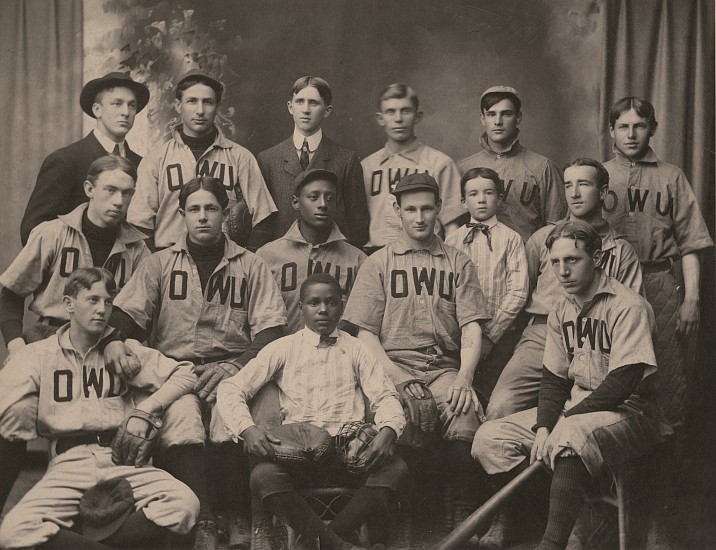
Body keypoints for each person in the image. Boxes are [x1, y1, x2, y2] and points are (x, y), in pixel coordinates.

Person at [106, 175, 287, 549]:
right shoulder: (158, 263)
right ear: (182, 215)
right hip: (178, 371)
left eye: (211, 208)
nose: (203, 217)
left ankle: (237, 514)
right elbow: (124, 319)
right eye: (194, 210)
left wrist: (235, 366)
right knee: (185, 419)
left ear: (226, 214)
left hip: (232, 367)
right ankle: (203, 516)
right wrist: (114, 342)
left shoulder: (251, 264)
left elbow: (271, 331)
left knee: (229, 418)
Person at [471, 221, 673, 550]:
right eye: (555, 262)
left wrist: (561, 424)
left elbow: (623, 383)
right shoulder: (561, 309)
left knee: (569, 435)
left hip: (631, 413)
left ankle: (551, 542)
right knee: (490, 438)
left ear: (597, 258)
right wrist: (542, 428)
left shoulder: (629, 306)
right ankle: (576, 507)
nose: (562, 271)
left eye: (572, 260)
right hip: (577, 412)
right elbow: (552, 380)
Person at [0, 267, 200, 550]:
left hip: (121, 457)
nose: (102, 309)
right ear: (69, 304)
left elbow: (186, 373)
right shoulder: (39, 355)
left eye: (108, 301)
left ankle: (83, 538)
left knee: (185, 506)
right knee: (12, 532)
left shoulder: (123, 349)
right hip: (68, 461)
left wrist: (145, 411)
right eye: (92, 300)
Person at [0, 155, 149, 512]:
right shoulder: (53, 232)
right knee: (14, 413)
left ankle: (111, 514)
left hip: (105, 345)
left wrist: (115, 340)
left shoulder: (137, 247)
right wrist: (16, 343)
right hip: (47, 341)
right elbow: (9, 292)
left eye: (126, 193)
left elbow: (136, 309)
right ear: (89, 189)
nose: (118, 201)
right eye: (110, 190)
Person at [217, 273, 407, 550]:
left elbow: (385, 395)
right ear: (301, 308)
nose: (322, 310)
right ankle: (338, 545)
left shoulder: (357, 350)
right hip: (298, 457)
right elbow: (231, 388)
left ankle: (320, 541)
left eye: (331, 302)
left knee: (397, 470)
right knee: (262, 476)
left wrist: (389, 429)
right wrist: (248, 430)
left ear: (341, 307)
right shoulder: (282, 348)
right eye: (314, 303)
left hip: (346, 454)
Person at [343, 172, 490, 515]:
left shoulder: (459, 262)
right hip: (390, 367)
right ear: (397, 210)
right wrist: (400, 381)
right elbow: (365, 334)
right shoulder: (378, 262)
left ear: (439, 208)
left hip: (442, 369)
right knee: (388, 420)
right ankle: (396, 518)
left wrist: (465, 377)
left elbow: (471, 327)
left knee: (464, 411)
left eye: (427, 208)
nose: (420, 217)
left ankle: (461, 514)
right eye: (411, 209)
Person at [486, 158, 643, 422]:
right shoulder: (543, 239)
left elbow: (631, 317)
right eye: (569, 185)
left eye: (583, 184)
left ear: (603, 192)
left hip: (596, 340)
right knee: (500, 408)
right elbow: (518, 294)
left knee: (591, 415)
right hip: (541, 333)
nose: (574, 193)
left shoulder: (620, 250)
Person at [603, 97, 714, 426]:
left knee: (665, 371)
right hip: (612, 284)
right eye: (623, 126)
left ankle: (667, 467)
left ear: (652, 128)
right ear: (612, 131)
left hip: (660, 284)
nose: (631, 134)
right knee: (612, 368)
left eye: (639, 125)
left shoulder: (672, 177)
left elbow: (691, 241)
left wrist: (691, 299)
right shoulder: (599, 176)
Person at [127, 69, 277, 252]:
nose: (200, 111)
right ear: (178, 105)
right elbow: (139, 224)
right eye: (192, 101)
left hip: (223, 262)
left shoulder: (240, 157)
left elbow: (264, 218)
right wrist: (156, 265)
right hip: (169, 260)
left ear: (217, 106)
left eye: (207, 102)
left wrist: (246, 261)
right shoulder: (156, 158)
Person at [21, 72, 149, 244]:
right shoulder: (66, 160)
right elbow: (34, 230)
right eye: (117, 104)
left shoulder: (143, 165)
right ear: (97, 110)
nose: (125, 112)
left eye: (131, 106)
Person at [257, 76, 369, 247]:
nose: (306, 110)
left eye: (314, 103)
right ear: (290, 107)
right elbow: (261, 223)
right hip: (282, 262)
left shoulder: (346, 159)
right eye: (300, 102)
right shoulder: (268, 160)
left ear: (327, 110)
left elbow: (358, 224)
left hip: (331, 258)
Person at [445, 167, 528, 396]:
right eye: (473, 194)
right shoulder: (452, 240)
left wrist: (490, 336)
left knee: (493, 393)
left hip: (499, 339)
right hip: (460, 338)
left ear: (499, 199)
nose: (481, 200)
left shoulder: (511, 239)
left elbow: (519, 291)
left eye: (489, 193)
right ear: (463, 201)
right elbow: (446, 288)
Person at [256, 168, 366, 334]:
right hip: (284, 354)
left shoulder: (357, 260)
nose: (323, 204)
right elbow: (260, 317)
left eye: (330, 198)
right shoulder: (267, 256)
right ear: (296, 202)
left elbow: (362, 318)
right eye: (314, 197)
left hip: (338, 353)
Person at [361, 83, 463, 253]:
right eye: (391, 112)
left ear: (418, 116)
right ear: (380, 118)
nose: (398, 119)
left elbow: (453, 227)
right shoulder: (367, 166)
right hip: (377, 256)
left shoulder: (440, 163)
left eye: (405, 110)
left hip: (425, 255)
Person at [457, 86, 566, 242]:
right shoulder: (463, 168)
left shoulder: (543, 168)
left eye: (506, 114)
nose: (498, 121)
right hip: (475, 260)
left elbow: (557, 225)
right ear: (482, 119)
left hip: (527, 259)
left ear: (518, 117)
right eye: (491, 114)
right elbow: (454, 227)